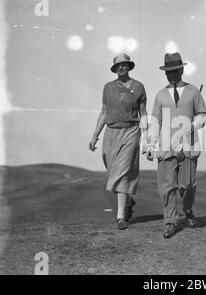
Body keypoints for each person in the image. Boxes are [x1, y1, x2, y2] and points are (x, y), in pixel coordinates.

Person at [146, 52, 206, 239]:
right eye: (168, 72)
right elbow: (155, 121)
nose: (172, 74)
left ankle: (188, 209)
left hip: (188, 146)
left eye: (175, 70)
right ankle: (170, 222)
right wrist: (151, 145)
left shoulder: (193, 91)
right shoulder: (160, 95)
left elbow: (203, 114)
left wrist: (192, 125)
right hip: (166, 147)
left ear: (181, 70)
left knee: (187, 185)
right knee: (166, 187)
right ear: (165, 73)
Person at [89, 53, 148, 230]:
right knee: (113, 170)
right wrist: (94, 136)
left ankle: (120, 217)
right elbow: (104, 111)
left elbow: (143, 114)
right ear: (115, 69)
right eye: (118, 65)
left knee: (122, 172)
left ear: (129, 67)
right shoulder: (108, 87)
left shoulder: (138, 87)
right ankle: (128, 201)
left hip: (130, 131)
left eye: (125, 64)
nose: (122, 67)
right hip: (110, 133)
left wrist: (147, 138)